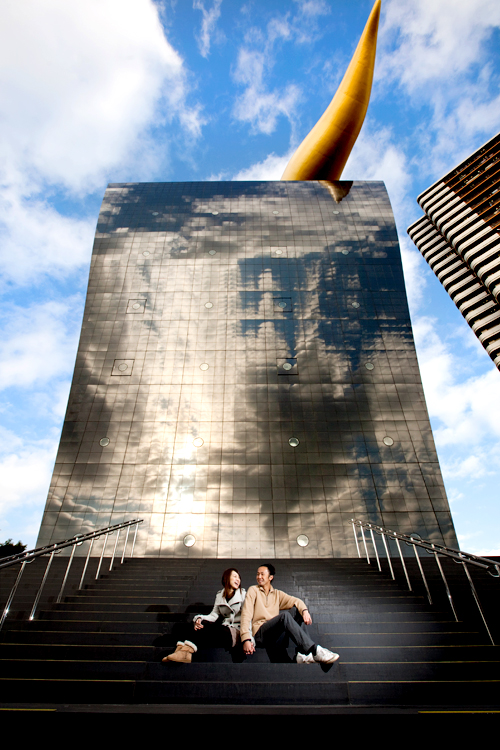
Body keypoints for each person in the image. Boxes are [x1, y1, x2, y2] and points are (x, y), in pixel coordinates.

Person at [240, 563, 339, 665]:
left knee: (297, 610)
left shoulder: (277, 594)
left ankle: (301, 654)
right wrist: (246, 639)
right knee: (285, 616)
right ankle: (314, 651)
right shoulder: (253, 590)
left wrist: (305, 611)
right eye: (257, 574)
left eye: (262, 574)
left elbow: (297, 601)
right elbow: (246, 614)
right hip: (260, 634)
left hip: (275, 636)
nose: (259, 577)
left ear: (270, 577)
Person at [163, 568, 246, 664]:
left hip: (236, 632)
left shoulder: (243, 595)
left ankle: (185, 653)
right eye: (235, 576)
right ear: (226, 578)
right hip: (224, 629)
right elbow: (214, 615)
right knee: (197, 624)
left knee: (210, 628)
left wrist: (248, 640)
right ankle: (181, 651)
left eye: (239, 577)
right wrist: (200, 619)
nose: (238, 579)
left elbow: (248, 618)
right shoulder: (220, 595)